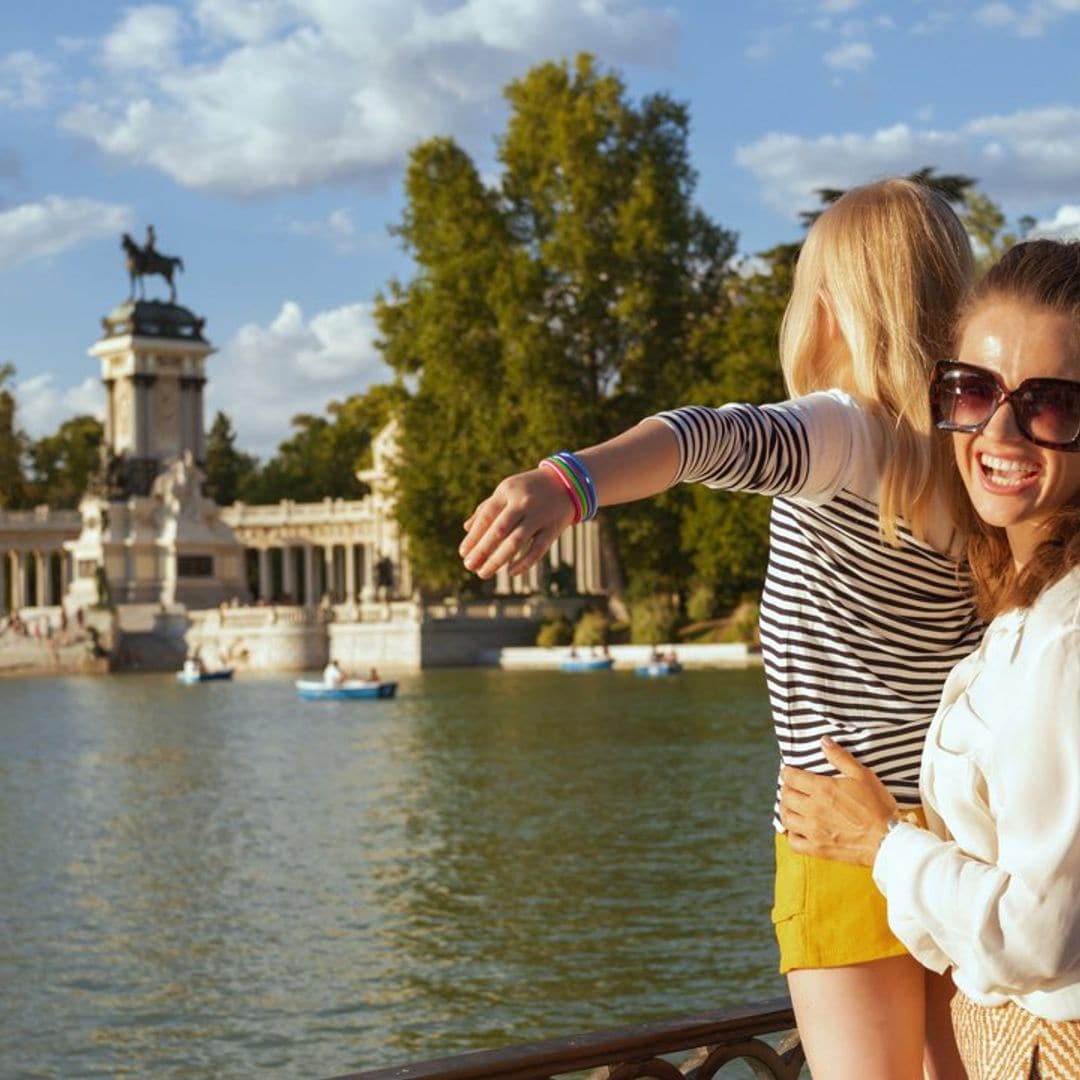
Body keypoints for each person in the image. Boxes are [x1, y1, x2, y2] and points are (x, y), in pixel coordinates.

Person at [459, 177, 983, 1078]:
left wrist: (567, 481)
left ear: (828, 306)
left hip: (838, 831)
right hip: (958, 835)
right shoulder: (980, 452)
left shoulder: (843, 430)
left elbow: (703, 437)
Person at [779, 238, 1080, 1079]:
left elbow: (1041, 936)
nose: (1001, 429)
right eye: (973, 391)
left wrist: (882, 847)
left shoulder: (1063, 641)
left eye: (1050, 405)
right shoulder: (1020, 615)